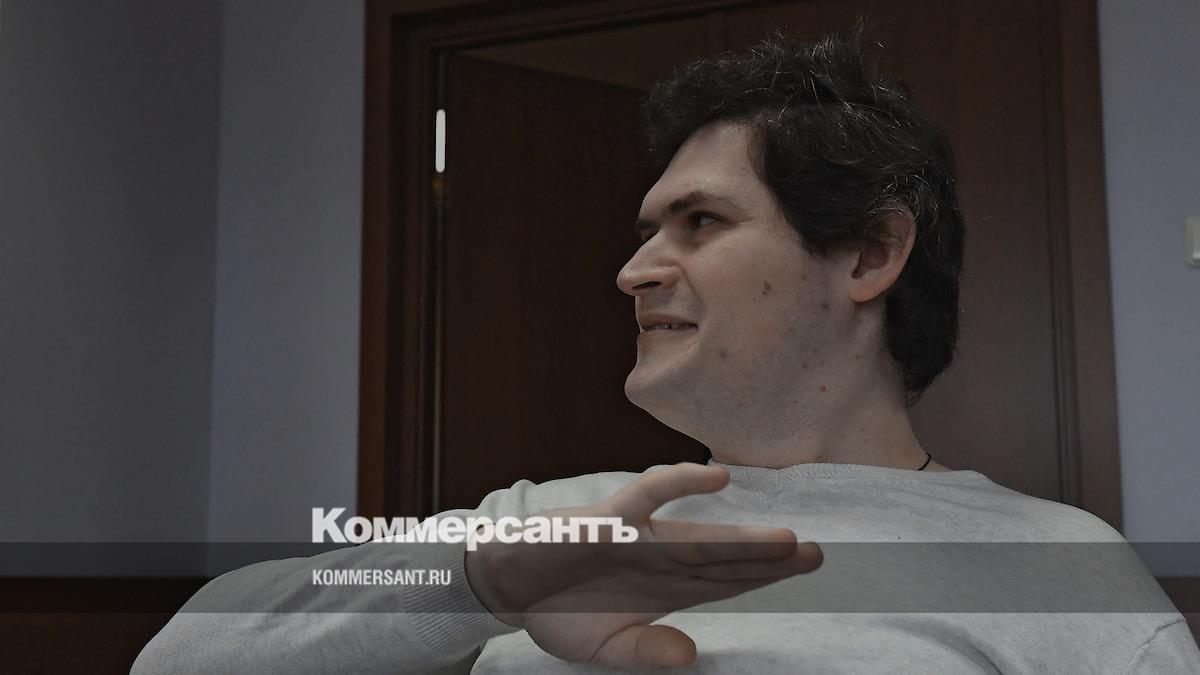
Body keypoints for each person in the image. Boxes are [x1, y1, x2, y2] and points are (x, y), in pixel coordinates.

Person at [133, 26, 1200, 673]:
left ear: (870, 253)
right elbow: (185, 652)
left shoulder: (1061, 567)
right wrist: (480, 581)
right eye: (648, 229)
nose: (634, 270)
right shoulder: (546, 520)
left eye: (699, 223)